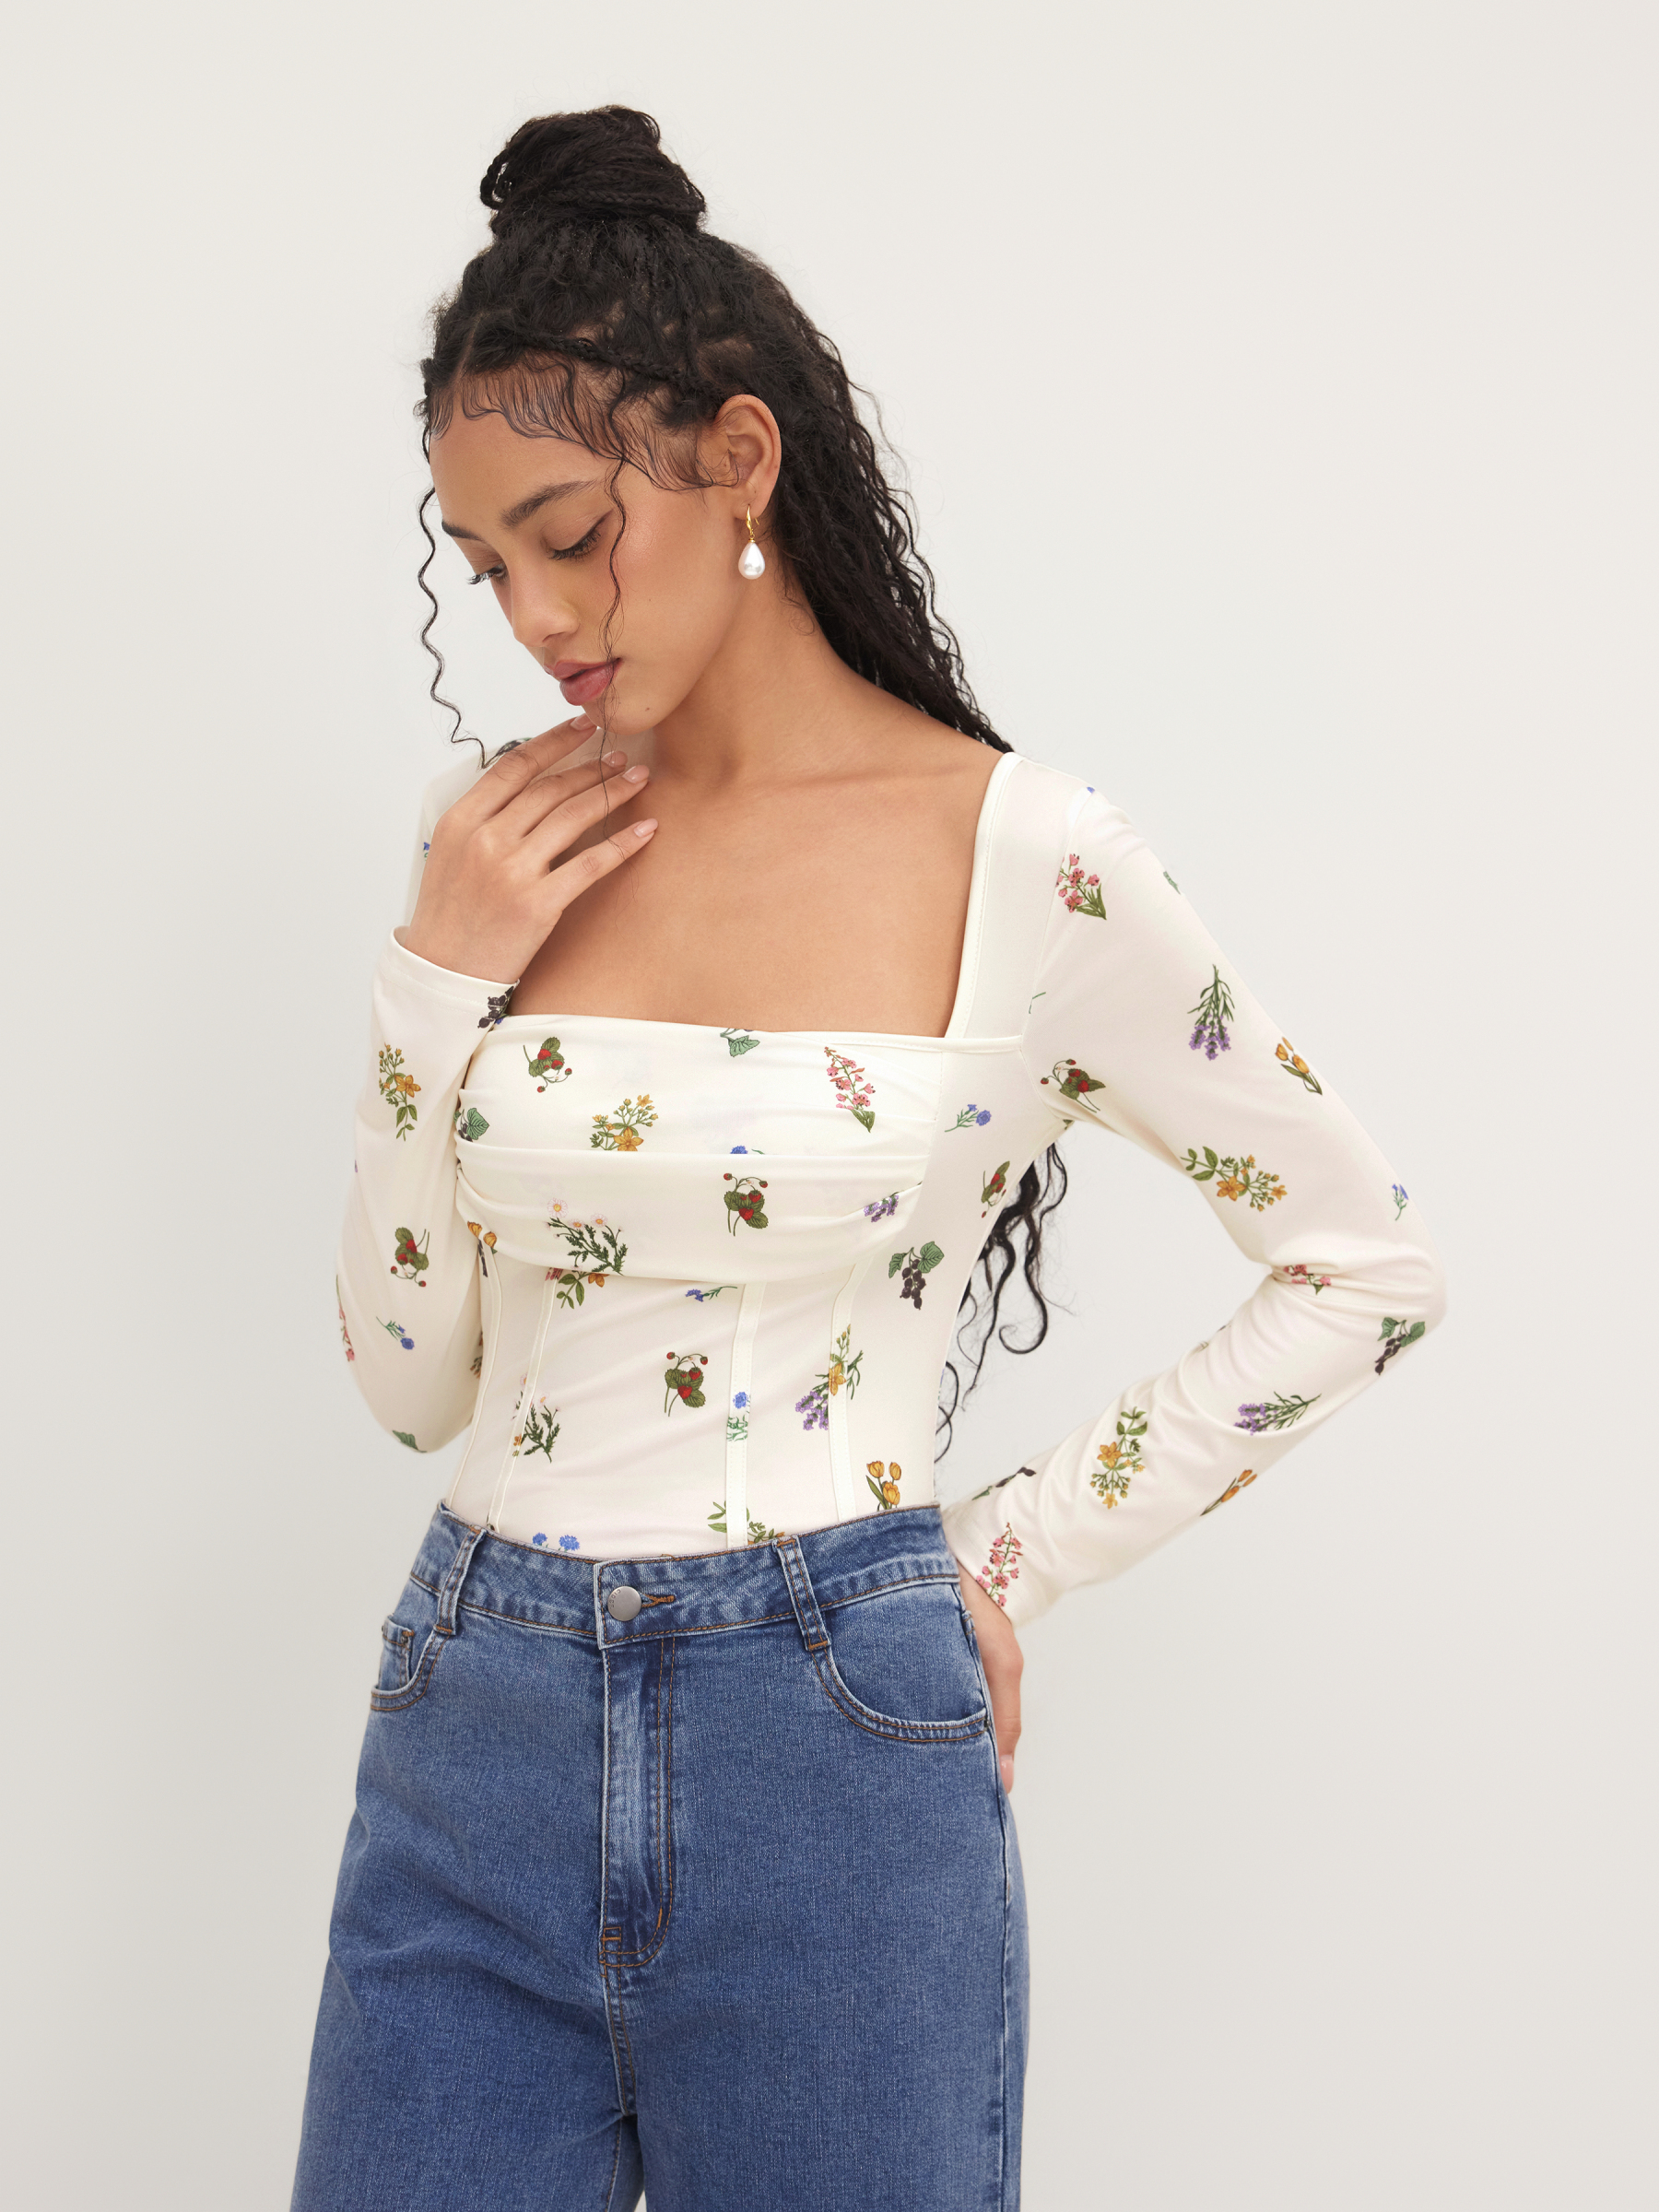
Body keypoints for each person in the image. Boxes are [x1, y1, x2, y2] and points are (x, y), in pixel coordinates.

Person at [294, 105, 1446, 2212]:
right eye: (485, 565)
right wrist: (431, 986)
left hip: (829, 1740)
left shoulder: (1030, 858)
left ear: (738, 458)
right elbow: (405, 1382)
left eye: (571, 533)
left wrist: (999, 1559)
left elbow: (1364, 1266)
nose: (536, 612)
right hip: (474, 1710)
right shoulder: (503, 850)